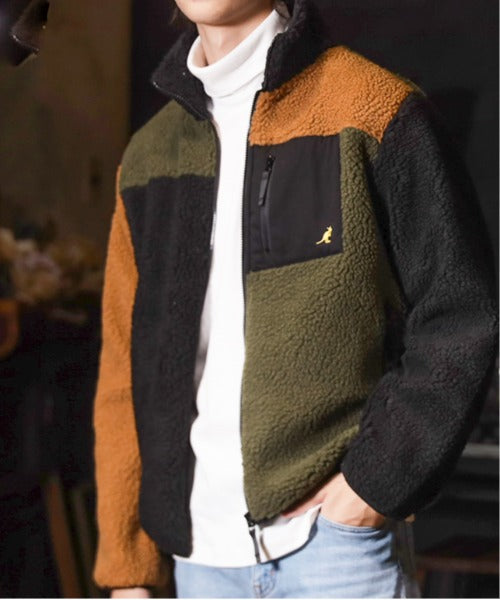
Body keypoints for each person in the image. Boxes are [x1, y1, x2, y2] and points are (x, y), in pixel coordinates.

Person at [91, 0, 498, 597]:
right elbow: (124, 367)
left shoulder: (373, 108)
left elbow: (459, 315)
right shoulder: (148, 159)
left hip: (335, 555)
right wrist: (128, 569)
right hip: (197, 563)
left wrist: (371, 488)